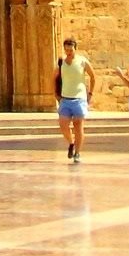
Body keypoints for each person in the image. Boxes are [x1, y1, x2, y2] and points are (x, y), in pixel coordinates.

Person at [55, 35, 94, 163]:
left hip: (79, 99)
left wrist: (90, 94)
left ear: (75, 49)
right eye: (66, 50)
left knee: (78, 126)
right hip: (65, 99)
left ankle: (77, 153)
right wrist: (55, 94)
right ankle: (71, 143)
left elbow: (93, 77)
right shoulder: (61, 63)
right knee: (63, 124)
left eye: (71, 50)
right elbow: (54, 77)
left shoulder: (82, 61)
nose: (69, 52)